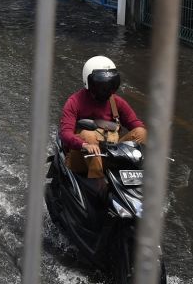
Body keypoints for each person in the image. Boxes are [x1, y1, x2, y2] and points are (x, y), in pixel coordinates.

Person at [59, 56, 147, 194]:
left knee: (141, 132)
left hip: (110, 155)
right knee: (88, 135)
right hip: (82, 158)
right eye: (101, 85)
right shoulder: (74, 102)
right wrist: (84, 145)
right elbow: (65, 133)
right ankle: (99, 183)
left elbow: (136, 125)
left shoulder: (117, 103)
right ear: (89, 83)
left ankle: (134, 182)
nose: (106, 89)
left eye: (109, 84)